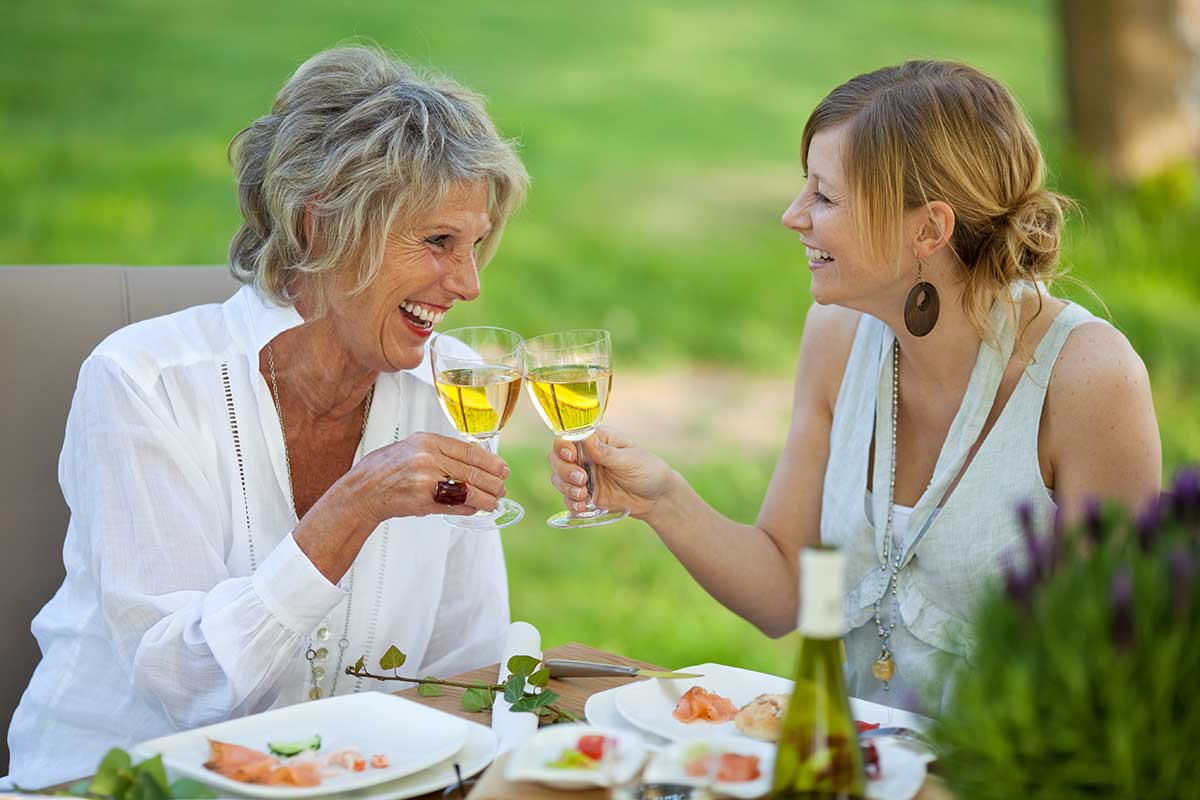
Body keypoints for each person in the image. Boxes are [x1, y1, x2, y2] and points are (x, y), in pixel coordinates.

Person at [546, 60, 1162, 712]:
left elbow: (1111, 674)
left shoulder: (1088, 380)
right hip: (843, 763)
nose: (793, 216)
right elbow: (786, 586)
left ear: (929, 229)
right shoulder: (837, 336)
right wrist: (660, 499)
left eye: (825, 196)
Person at [9, 46, 529, 787]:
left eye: (476, 245)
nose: (469, 284)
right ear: (321, 227)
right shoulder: (144, 384)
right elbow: (186, 688)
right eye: (437, 242)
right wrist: (352, 507)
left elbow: (465, 670)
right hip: (115, 783)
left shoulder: (455, 391)